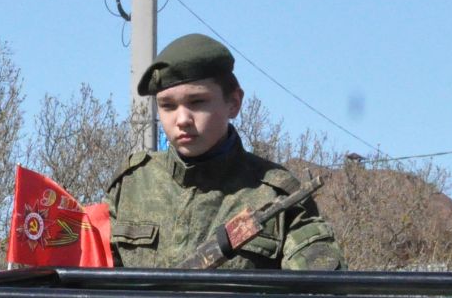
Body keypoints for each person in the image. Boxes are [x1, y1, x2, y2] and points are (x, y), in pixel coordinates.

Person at [105, 33, 343, 271]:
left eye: (197, 102)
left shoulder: (276, 195)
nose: (182, 119)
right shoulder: (130, 185)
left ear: (234, 103)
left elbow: (321, 287)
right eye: (167, 106)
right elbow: (91, 276)